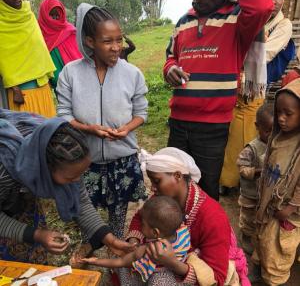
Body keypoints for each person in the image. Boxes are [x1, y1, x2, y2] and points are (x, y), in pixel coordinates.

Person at [163, 0, 273, 200]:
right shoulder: (183, 21)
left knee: (205, 188)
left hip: (212, 127)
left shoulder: (237, 20)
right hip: (179, 122)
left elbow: (262, 6)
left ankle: (206, 233)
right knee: (173, 185)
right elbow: (171, 57)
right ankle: (179, 232)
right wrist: (170, 69)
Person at [56, 4, 148, 239]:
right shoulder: (70, 73)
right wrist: (89, 129)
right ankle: (90, 246)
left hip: (122, 159)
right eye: (108, 41)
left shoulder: (132, 73)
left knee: (118, 212)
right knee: (87, 213)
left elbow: (141, 113)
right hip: (85, 160)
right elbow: (63, 114)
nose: (117, 47)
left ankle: (115, 253)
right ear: (89, 42)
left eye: (119, 40)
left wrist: (126, 128)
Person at [0, 109, 133, 263]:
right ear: (45, 168)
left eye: (80, 174)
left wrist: (109, 239)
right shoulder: (4, 171)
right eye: (71, 177)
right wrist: (36, 234)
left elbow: (81, 201)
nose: (77, 181)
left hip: (19, 191)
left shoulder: (68, 151)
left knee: (32, 260)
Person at [125, 147, 250, 286]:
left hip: (194, 272)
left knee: (159, 282)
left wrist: (173, 263)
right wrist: (133, 242)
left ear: (178, 176)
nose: (152, 188)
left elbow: (217, 277)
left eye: (156, 181)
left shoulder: (213, 217)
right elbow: (140, 216)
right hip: (165, 262)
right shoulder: (162, 198)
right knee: (123, 260)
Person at [219, 0, 293, 193]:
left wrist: (236, 62)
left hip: (254, 88)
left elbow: (267, 53)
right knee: (232, 135)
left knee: (251, 136)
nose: (274, 0)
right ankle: (228, 181)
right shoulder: (247, 18)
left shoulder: (283, 25)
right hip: (235, 87)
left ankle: (247, 182)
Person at [251, 78, 300, 285]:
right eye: (278, 112)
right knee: (264, 244)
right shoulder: (278, 137)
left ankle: (275, 279)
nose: (281, 118)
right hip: (269, 207)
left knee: (278, 253)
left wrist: (290, 207)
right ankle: (262, 270)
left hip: (285, 213)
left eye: (288, 114)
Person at [81, 196, 191, 285]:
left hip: (154, 278)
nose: (140, 225)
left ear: (155, 233)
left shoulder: (148, 250)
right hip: (173, 278)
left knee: (125, 269)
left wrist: (96, 261)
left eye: (142, 224)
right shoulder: (182, 231)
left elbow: (121, 262)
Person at [0, 0, 56, 117]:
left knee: (49, 134)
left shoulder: (28, 15)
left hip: (43, 88)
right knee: (29, 136)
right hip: (21, 94)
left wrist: (47, 80)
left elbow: (39, 50)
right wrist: (14, 87)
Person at [237, 103, 274, 254]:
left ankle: (259, 237)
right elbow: (241, 168)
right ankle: (245, 235)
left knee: (263, 217)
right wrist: (257, 171)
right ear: (257, 126)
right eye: (267, 131)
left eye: (274, 131)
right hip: (250, 193)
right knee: (248, 217)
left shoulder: (277, 145)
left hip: (266, 193)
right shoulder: (251, 148)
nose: (271, 135)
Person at [38, 0, 83, 90]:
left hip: (82, 80)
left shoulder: (71, 31)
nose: (55, 19)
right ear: (44, 16)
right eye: (51, 15)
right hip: (61, 86)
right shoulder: (39, 37)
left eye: (57, 15)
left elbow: (80, 55)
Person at [264, 0, 295, 84]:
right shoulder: (253, 19)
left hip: (257, 83)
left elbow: (264, 55)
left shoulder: (284, 25)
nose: (274, 1)